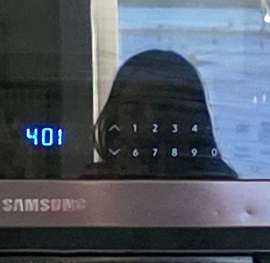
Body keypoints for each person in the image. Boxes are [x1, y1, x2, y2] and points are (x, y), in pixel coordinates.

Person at [94, 46, 232, 178]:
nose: (150, 121)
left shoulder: (222, 188)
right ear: (114, 116)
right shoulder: (94, 187)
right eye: (133, 111)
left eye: (164, 109)